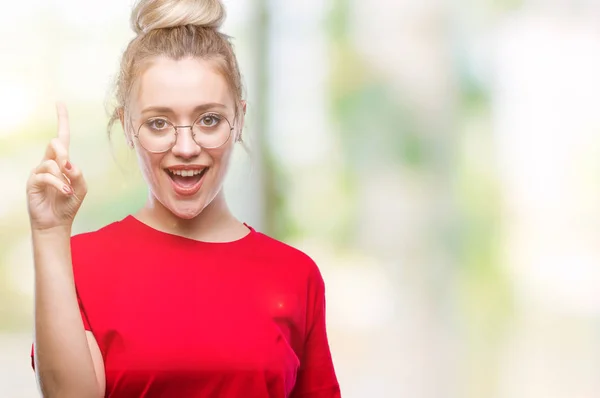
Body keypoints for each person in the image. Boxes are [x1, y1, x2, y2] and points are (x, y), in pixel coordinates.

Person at [26, 0, 340, 396]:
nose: (186, 147)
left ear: (239, 119)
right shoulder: (78, 266)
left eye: (209, 119)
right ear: (126, 125)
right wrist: (50, 232)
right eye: (158, 123)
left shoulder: (296, 275)